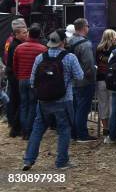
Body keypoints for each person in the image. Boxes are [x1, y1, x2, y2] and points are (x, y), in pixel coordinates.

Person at [23, 30, 84, 170]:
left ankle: (28, 160)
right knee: (64, 130)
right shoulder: (70, 57)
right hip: (64, 100)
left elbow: (32, 81)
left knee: (37, 130)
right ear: (63, 42)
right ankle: (61, 162)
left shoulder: (40, 57)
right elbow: (80, 76)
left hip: (43, 101)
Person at [13, 24, 47, 138]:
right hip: (34, 81)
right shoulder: (42, 49)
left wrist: (19, 76)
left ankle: (24, 130)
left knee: (23, 105)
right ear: (39, 36)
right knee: (32, 105)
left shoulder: (19, 48)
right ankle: (28, 130)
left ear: (29, 34)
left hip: (22, 79)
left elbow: (15, 65)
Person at [69, 18, 97, 142]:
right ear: (84, 27)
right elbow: (89, 64)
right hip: (84, 81)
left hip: (73, 80)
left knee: (75, 107)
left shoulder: (69, 41)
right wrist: (91, 79)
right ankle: (82, 134)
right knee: (83, 108)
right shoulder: (85, 44)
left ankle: (74, 133)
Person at [5, 19, 28, 137]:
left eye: (26, 32)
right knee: (18, 102)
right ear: (16, 33)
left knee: (14, 101)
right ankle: (15, 128)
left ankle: (14, 126)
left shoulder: (13, 43)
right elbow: (14, 64)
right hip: (15, 77)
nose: (26, 34)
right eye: (24, 32)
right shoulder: (15, 45)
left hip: (13, 75)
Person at [95, 29, 116, 135]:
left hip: (101, 78)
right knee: (112, 103)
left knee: (102, 103)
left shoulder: (98, 48)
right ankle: (113, 126)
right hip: (112, 79)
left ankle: (105, 127)